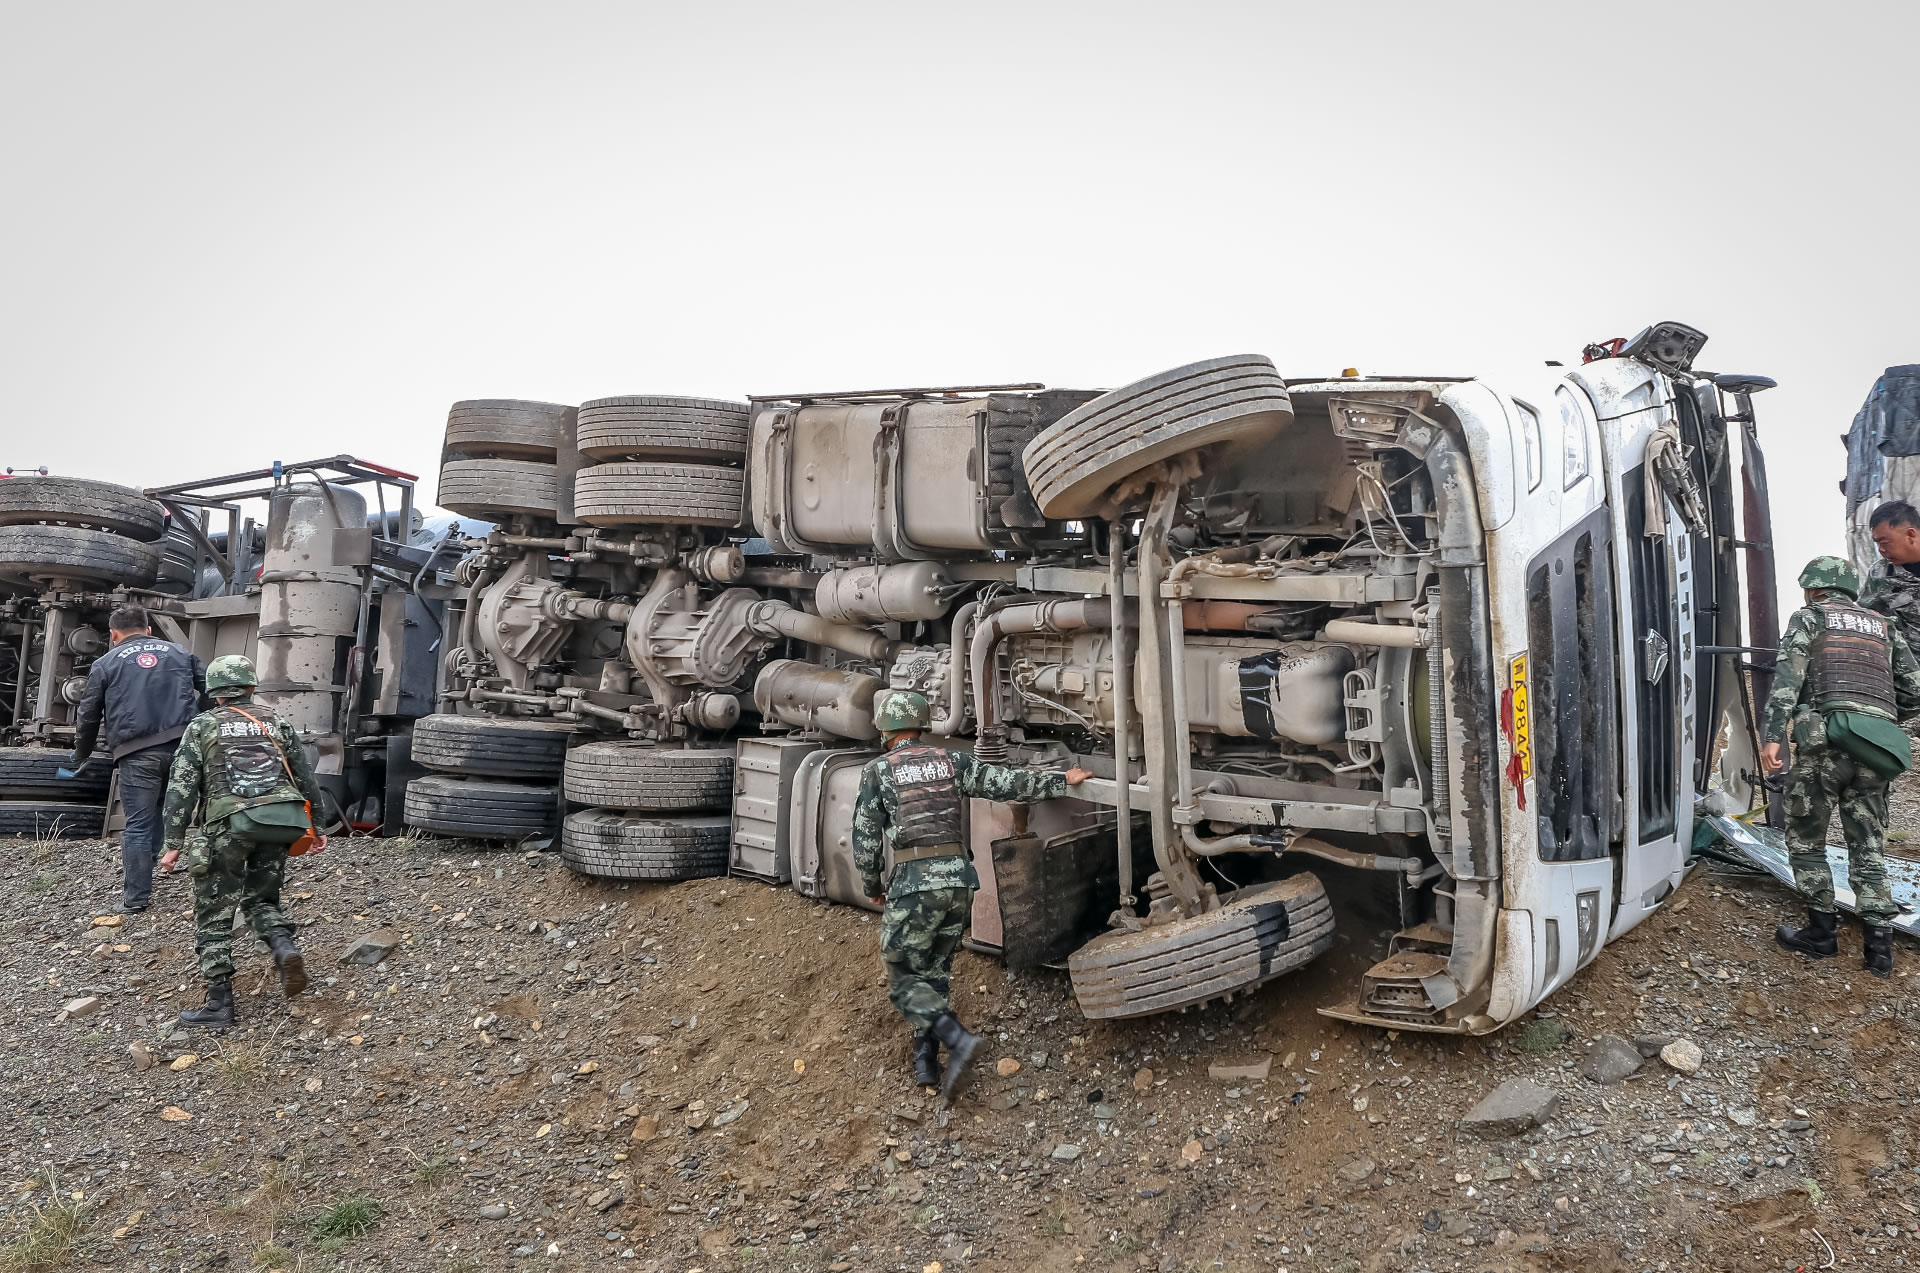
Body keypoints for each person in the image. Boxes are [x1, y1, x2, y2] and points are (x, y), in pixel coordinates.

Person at [852, 690, 1092, 1100]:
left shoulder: (879, 770)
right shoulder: (951, 760)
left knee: (904, 978)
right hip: (960, 883)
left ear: (884, 729)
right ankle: (926, 1063)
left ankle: (956, 1039)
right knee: (935, 974)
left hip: (915, 884)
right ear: (922, 724)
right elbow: (1005, 783)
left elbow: (866, 837)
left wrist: (872, 886)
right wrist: (1061, 780)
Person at [1762, 556, 1920, 979]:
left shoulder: (1810, 618)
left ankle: (1822, 934)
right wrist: (1876, 722)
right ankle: (1879, 949)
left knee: (1807, 838)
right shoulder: (1883, 627)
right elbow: (1915, 690)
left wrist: (1772, 737)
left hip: (1824, 748)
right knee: (1868, 845)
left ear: (1814, 589)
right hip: (1874, 752)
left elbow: (1786, 682)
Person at [160, 654, 329, 1028]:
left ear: (214, 692)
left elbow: (181, 786)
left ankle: (219, 1004)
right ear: (252, 686)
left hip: (228, 824)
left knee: (215, 911)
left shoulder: (203, 725)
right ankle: (284, 948)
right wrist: (316, 825)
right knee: (262, 899)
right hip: (278, 824)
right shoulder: (277, 723)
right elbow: (304, 776)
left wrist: (172, 842)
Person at [70, 604, 206, 912]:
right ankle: (165, 865)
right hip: (183, 747)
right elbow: (212, 687)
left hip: (137, 752)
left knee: (138, 824)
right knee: (168, 808)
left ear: (114, 634)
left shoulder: (105, 663)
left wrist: (81, 755)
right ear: (148, 630)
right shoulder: (180, 653)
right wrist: (201, 721)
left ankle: (135, 900)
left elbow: (88, 715)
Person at [1861, 499, 1920, 652]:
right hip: (1902, 669)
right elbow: (1866, 617)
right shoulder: (1880, 573)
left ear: (1910, 535)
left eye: (1885, 542)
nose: (1881, 550)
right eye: (1877, 543)